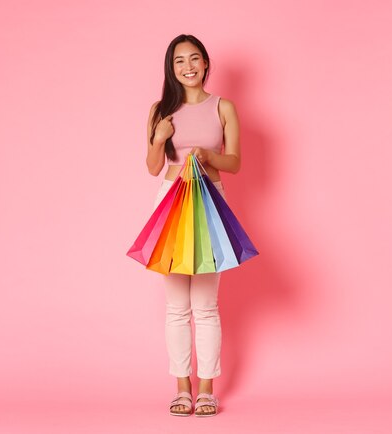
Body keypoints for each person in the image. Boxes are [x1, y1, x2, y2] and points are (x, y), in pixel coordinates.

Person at [145, 34, 241, 417]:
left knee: (205, 306)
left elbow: (235, 163)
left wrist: (208, 155)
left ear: (205, 63)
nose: (188, 66)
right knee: (175, 307)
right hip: (170, 203)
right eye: (179, 61)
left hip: (211, 204)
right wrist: (159, 137)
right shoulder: (160, 110)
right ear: (172, 68)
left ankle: (206, 390)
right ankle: (181, 388)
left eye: (194, 59)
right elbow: (153, 167)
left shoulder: (224, 107)